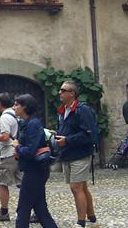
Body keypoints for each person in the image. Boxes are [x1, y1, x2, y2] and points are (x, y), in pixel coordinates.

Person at [55, 81, 99, 228]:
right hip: (68, 154)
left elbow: (89, 135)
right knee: (82, 186)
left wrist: (67, 140)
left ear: (72, 93)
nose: (59, 93)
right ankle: (91, 217)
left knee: (76, 187)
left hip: (80, 153)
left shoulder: (82, 110)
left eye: (62, 90)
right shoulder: (63, 110)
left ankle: (81, 222)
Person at [12, 94, 58, 228]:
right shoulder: (25, 124)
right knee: (40, 209)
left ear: (24, 107)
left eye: (16, 104)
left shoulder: (33, 124)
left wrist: (18, 147)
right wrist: (18, 152)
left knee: (23, 209)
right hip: (33, 170)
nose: (14, 107)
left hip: (36, 171)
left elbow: (31, 151)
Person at [0, 92, 21, 222]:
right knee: (22, 183)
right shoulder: (16, 115)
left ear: (0, 104)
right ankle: (33, 209)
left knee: (3, 183)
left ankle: (4, 211)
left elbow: (5, 136)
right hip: (18, 152)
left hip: (8, 154)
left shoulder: (5, 117)